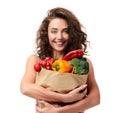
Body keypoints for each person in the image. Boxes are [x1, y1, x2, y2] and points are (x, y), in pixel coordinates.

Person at [20, 7, 100, 113]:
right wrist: (65, 98)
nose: (59, 37)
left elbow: (95, 98)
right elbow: (26, 88)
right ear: (46, 34)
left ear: (72, 34)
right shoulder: (36, 61)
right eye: (54, 31)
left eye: (65, 31)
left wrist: (59, 111)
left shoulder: (83, 64)